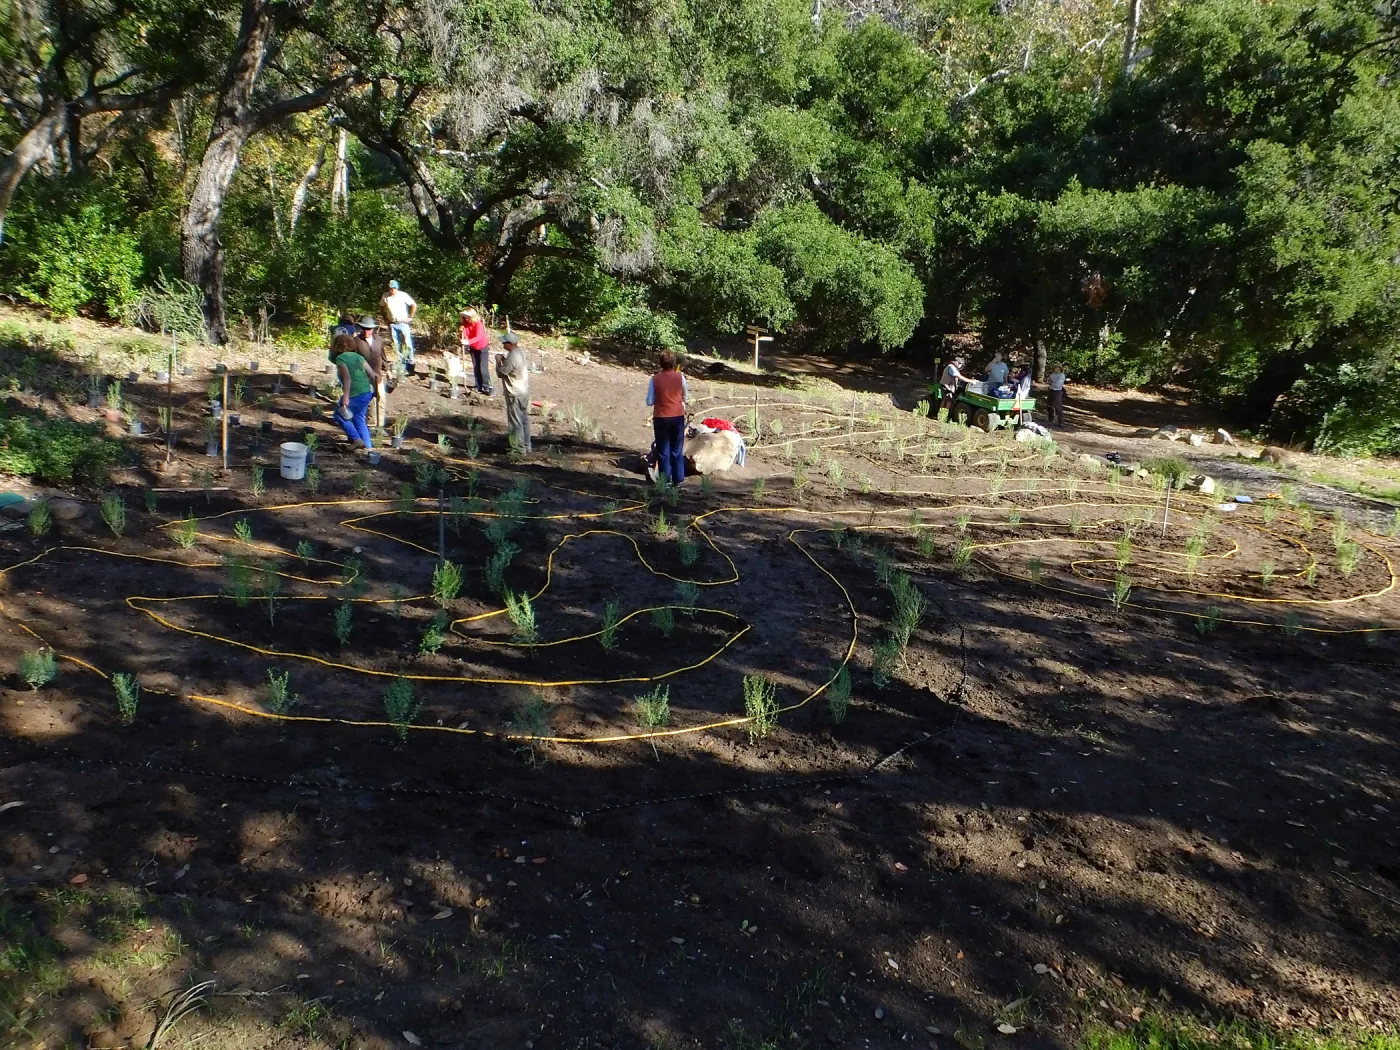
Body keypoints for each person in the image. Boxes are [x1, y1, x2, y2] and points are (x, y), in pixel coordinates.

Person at [647, 349, 689, 487]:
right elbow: (685, 397)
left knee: (663, 450)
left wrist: (658, 399)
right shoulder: (680, 377)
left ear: (660, 363)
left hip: (661, 417)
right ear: (674, 363)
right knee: (677, 449)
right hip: (677, 417)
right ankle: (678, 479)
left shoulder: (654, 379)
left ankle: (665, 480)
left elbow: (649, 401)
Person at [330, 333, 377, 449]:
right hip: (366, 392)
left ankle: (356, 439)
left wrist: (345, 397)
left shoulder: (340, 358)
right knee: (359, 419)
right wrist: (376, 391)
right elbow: (373, 375)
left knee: (338, 415)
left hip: (354, 393)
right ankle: (368, 448)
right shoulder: (359, 357)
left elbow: (347, 378)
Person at [495, 331, 531, 453]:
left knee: (515, 422)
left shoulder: (512, 356)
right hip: (523, 391)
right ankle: (527, 446)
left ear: (510, 344)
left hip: (514, 393)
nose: (502, 344)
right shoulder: (519, 353)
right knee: (524, 419)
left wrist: (498, 361)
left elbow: (501, 373)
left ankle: (518, 449)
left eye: (504, 342)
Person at [356, 316, 392, 428]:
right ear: (361, 328)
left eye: (369, 329)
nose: (366, 331)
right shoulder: (356, 341)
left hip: (377, 375)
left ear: (373, 329)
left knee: (381, 400)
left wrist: (388, 370)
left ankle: (380, 426)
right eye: (364, 328)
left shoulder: (379, 340)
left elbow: (383, 356)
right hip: (363, 376)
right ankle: (371, 425)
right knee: (370, 401)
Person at [381, 279, 417, 370]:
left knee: (407, 342)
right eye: (391, 288)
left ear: (397, 288)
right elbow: (381, 306)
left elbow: (413, 305)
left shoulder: (403, 295)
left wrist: (410, 317)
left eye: (394, 288)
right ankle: (400, 361)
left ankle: (411, 360)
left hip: (403, 322)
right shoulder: (385, 296)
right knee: (395, 343)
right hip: (392, 323)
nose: (392, 290)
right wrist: (385, 317)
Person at [459, 308, 492, 394]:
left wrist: (468, 342)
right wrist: (461, 332)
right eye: (465, 316)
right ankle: (478, 386)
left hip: (482, 347)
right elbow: (464, 335)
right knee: (476, 367)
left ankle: (487, 386)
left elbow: (478, 337)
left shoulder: (478, 324)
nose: (466, 318)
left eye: (467, 317)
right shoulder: (465, 324)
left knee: (483, 368)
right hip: (473, 347)